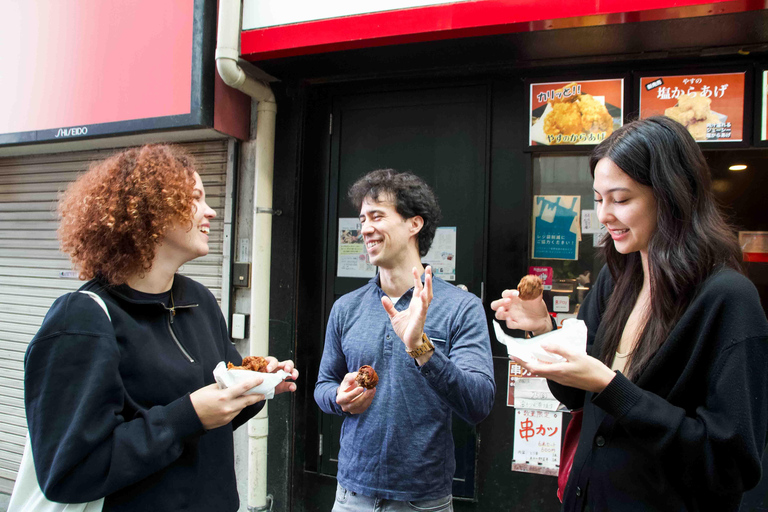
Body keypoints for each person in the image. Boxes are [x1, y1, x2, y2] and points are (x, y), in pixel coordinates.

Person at [491, 116, 768, 512]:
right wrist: (543, 330)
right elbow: (573, 395)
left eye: (621, 199)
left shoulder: (728, 299)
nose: (604, 215)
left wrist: (611, 387)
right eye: (598, 198)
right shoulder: (616, 278)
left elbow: (730, 464)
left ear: (672, 195)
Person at [23, 145, 298, 511]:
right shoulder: (82, 320)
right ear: (148, 210)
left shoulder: (199, 300)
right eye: (196, 198)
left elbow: (212, 418)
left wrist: (258, 386)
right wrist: (189, 414)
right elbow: (69, 473)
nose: (211, 211)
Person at [314, 169, 495, 511]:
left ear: (414, 224)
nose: (365, 228)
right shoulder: (346, 308)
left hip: (423, 500)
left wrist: (422, 349)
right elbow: (323, 384)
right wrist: (338, 397)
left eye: (378, 216)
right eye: (362, 218)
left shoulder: (460, 307)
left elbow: (479, 403)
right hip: (351, 496)